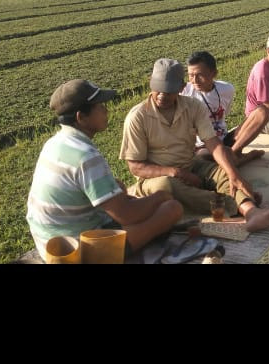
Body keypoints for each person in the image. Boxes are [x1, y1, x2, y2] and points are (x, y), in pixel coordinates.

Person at [121, 59, 269, 233]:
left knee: (224, 171)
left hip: (191, 164)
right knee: (167, 187)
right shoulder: (138, 117)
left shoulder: (193, 106)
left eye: (168, 91)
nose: (162, 96)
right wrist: (175, 172)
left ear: (181, 88)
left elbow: (214, 144)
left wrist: (233, 174)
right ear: (150, 84)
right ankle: (235, 204)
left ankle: (251, 212)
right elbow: (136, 167)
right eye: (158, 90)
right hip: (156, 178)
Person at [27, 78, 183, 262]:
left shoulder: (55, 143)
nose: (105, 110)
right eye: (99, 106)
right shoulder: (85, 155)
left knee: (127, 195)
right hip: (76, 251)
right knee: (172, 208)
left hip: (47, 242)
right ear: (81, 117)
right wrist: (159, 196)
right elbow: (127, 215)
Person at [182, 51, 265, 162]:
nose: (195, 80)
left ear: (214, 73)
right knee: (202, 158)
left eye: (200, 75)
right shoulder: (184, 93)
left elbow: (225, 113)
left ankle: (232, 153)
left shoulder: (227, 89)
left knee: (262, 112)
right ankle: (239, 158)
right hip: (203, 146)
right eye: (191, 75)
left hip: (225, 139)